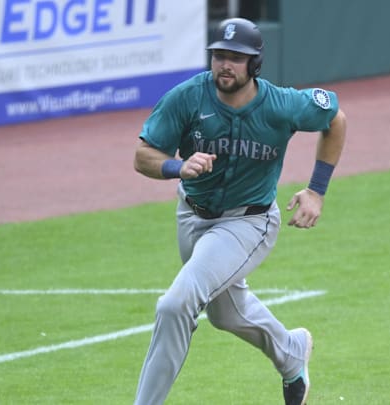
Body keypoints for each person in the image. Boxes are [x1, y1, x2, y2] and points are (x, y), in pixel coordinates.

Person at [132, 17, 346, 405]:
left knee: (176, 304)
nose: (225, 64)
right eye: (219, 56)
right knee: (226, 314)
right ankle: (291, 351)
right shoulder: (187, 97)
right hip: (192, 216)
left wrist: (317, 191)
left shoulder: (281, 104)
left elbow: (335, 118)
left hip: (249, 222)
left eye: (236, 57)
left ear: (255, 63)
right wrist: (176, 167)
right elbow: (143, 155)